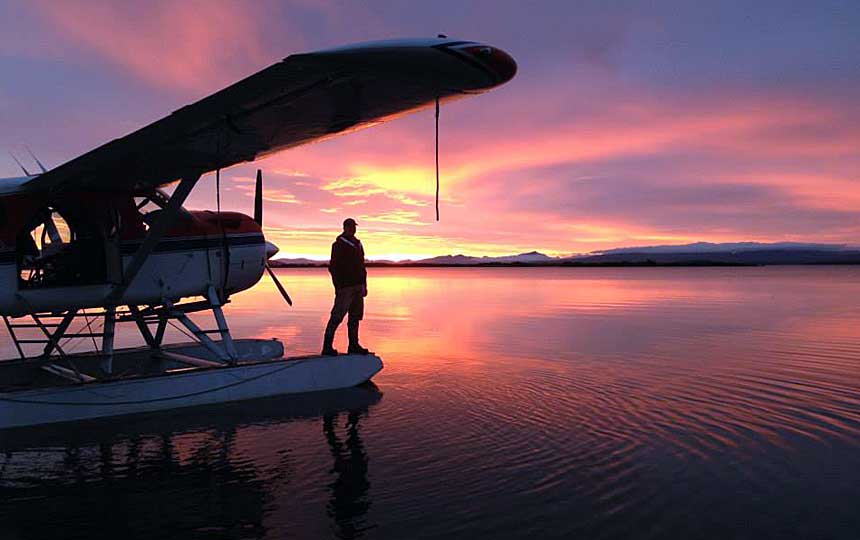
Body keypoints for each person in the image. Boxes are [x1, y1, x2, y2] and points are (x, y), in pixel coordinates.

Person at [322, 218, 370, 356]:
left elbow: (362, 266)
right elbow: (333, 267)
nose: (353, 229)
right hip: (345, 288)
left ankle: (353, 345)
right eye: (350, 227)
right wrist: (338, 286)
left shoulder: (358, 244)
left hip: (358, 287)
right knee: (337, 317)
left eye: (354, 227)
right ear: (345, 227)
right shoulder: (338, 245)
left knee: (355, 317)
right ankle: (327, 347)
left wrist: (364, 285)